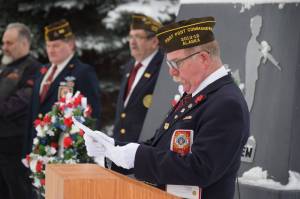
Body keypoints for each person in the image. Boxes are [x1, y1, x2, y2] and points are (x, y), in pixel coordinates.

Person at [82, 16, 250, 199]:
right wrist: (112, 148)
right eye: (170, 64)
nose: (172, 72)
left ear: (203, 58)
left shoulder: (226, 102)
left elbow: (202, 168)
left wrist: (136, 157)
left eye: (176, 63)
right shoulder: (195, 94)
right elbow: (159, 145)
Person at [23, 19, 101, 158]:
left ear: (70, 44)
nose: (51, 50)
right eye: (48, 45)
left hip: (63, 151)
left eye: (56, 45)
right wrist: (28, 149)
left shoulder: (82, 72)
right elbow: (33, 113)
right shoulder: (43, 71)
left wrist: (79, 153)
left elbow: (92, 115)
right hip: (38, 150)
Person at [0, 22, 40, 199]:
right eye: (3, 43)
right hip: (2, 145)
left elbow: (19, 103)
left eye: (9, 43)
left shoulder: (34, 70)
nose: (4, 47)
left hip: (16, 146)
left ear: (25, 43)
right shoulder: (6, 68)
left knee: (18, 192)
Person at [113, 13, 163, 143]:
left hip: (144, 148)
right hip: (122, 145)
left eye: (138, 37)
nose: (132, 42)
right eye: (131, 36)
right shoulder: (130, 66)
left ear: (154, 41)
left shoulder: (164, 68)